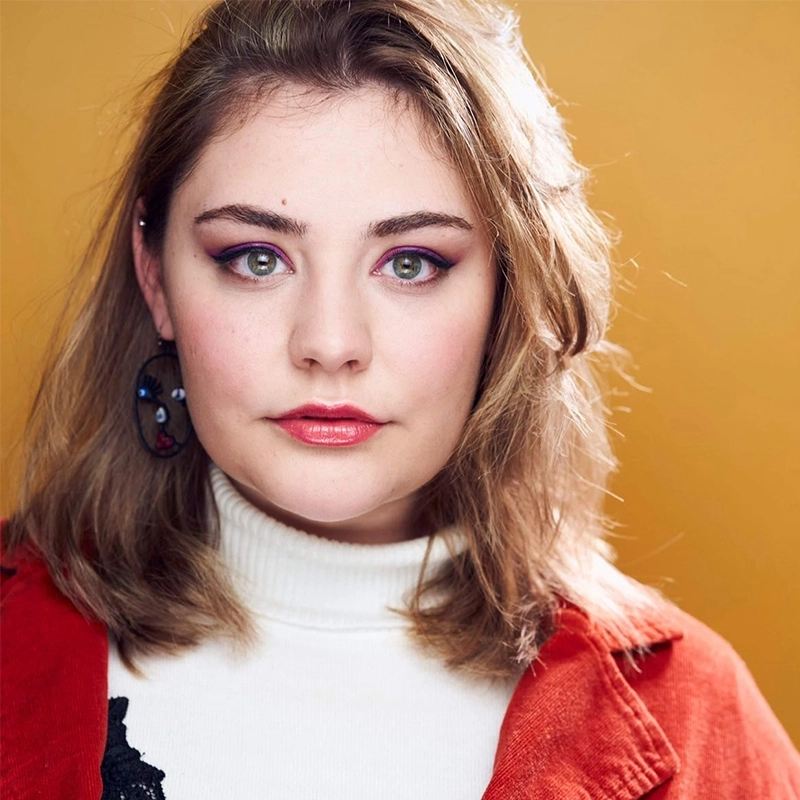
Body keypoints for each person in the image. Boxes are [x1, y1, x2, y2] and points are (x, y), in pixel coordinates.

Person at [1, 0, 798, 797]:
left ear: (508, 296)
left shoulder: (697, 720)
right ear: (156, 274)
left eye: (411, 262)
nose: (330, 342)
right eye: (255, 258)